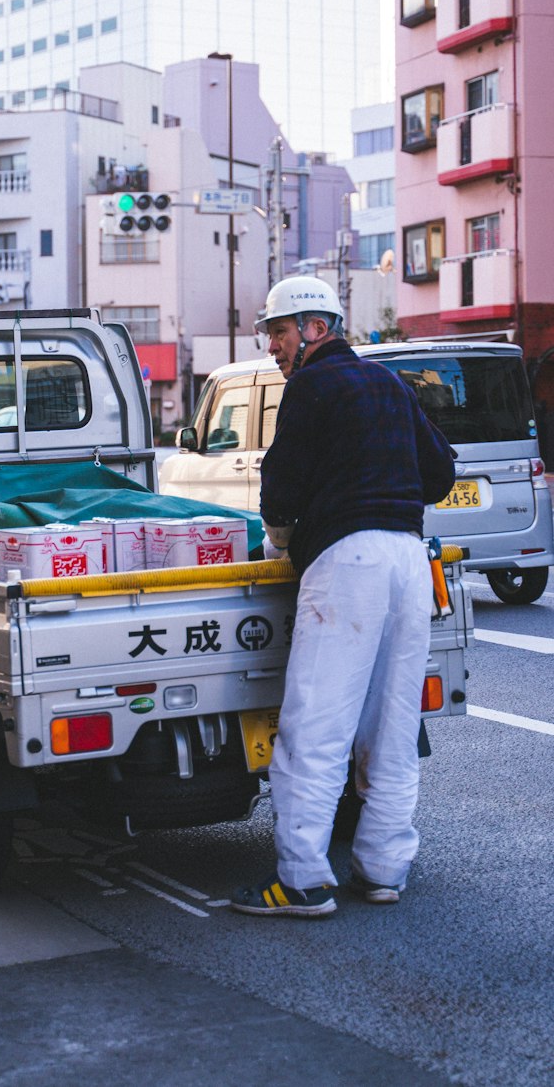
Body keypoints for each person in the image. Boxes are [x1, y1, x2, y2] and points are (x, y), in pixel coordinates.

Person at [230, 276, 455, 919]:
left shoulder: (309, 387)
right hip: (409, 560)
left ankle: (302, 880)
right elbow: (440, 473)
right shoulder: (389, 384)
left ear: (314, 329)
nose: (272, 346)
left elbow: (281, 488)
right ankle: (384, 868)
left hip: (345, 561)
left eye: (278, 332)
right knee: (390, 725)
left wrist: (279, 538)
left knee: (315, 726)